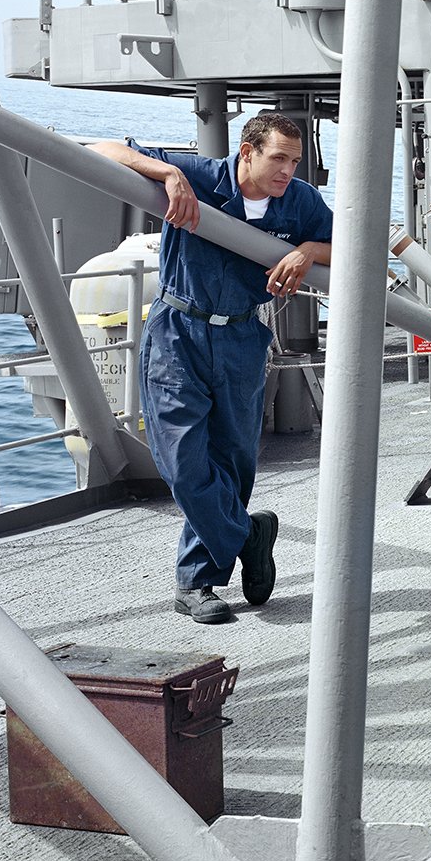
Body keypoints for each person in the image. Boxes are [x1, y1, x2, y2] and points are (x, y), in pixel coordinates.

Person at [88, 112, 332, 625]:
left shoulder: (301, 201)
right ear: (247, 151)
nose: (288, 170)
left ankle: (198, 582)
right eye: (278, 158)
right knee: (182, 460)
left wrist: (308, 249)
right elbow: (102, 148)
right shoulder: (201, 175)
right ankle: (247, 534)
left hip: (243, 335)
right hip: (180, 331)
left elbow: (349, 242)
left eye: (294, 160)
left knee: (235, 460)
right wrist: (165, 175)